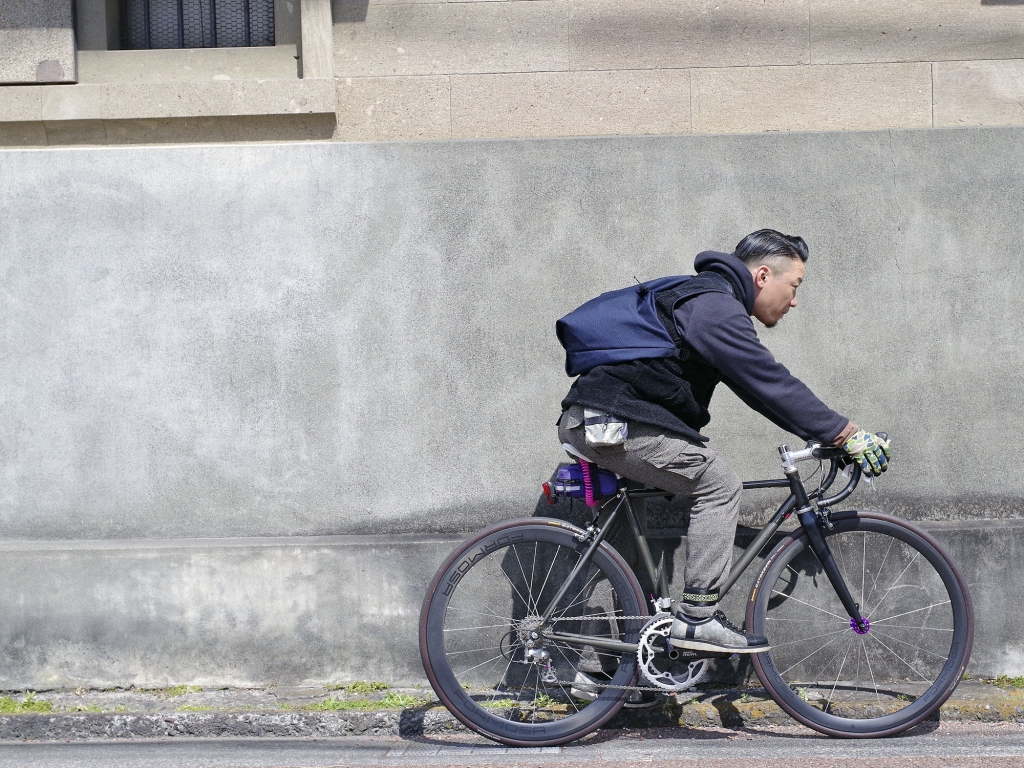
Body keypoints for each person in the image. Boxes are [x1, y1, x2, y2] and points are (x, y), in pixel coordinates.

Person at [557, 229, 891, 654]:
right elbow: (765, 380)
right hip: (613, 423)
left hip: (601, 420)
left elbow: (755, 388)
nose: (795, 301)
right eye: (795, 286)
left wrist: (824, 430)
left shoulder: (705, 301)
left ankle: (610, 668)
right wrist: (844, 434)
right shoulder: (713, 306)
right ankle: (697, 619)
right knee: (717, 483)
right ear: (764, 275)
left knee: (637, 547)